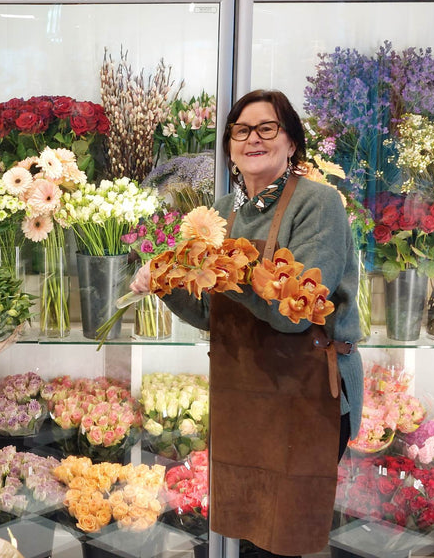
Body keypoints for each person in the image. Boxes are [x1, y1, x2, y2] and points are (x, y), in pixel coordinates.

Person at [131, 89, 364, 557]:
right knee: (251, 533)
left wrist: (226, 271)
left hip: (304, 394)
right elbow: (210, 313)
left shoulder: (318, 205)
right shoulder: (222, 213)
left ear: (292, 142)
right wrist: (166, 281)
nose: (252, 139)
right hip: (243, 394)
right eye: (241, 131)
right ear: (230, 146)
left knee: (285, 539)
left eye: (266, 128)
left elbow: (293, 313)